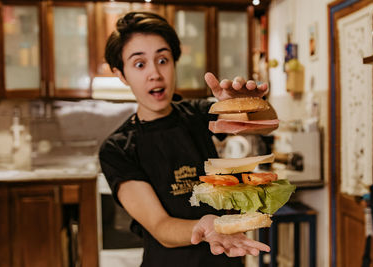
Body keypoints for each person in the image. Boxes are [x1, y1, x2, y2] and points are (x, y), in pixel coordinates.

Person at [99, 11, 270, 267]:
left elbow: (263, 125)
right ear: (121, 74)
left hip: (223, 258)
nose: (155, 73)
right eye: (139, 64)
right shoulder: (118, 148)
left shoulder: (198, 115)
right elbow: (161, 227)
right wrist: (206, 225)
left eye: (163, 60)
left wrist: (252, 103)